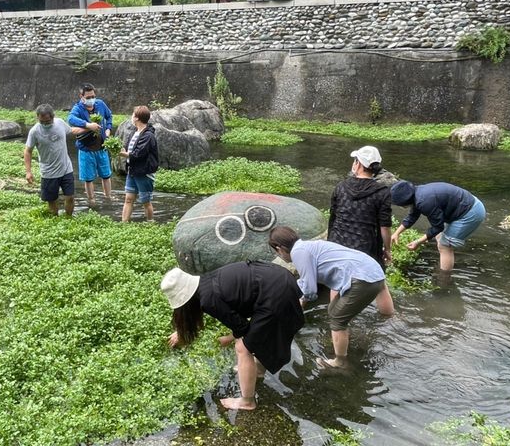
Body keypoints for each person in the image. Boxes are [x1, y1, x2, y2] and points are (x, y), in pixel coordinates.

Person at [161, 261, 304, 410]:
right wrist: (182, 331)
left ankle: (247, 401)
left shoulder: (208, 299)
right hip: (280, 277)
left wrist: (230, 339)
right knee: (254, 336)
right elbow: (242, 324)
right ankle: (258, 370)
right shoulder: (205, 282)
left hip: (276, 294)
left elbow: (242, 327)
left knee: (243, 348)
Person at [268, 226, 394, 369]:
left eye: (276, 252)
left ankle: (340, 362)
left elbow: (310, 290)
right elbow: (307, 283)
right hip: (373, 270)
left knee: (337, 318)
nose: (279, 256)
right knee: (333, 309)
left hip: (362, 278)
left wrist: (291, 305)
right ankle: (385, 322)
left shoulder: (298, 252)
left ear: (279, 248)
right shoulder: (308, 246)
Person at [389, 180, 486, 272]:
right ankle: (444, 265)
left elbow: (438, 227)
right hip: (466, 205)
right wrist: (396, 233)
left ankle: (444, 278)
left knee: (444, 245)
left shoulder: (424, 201)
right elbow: (412, 216)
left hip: (470, 212)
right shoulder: (418, 193)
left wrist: (418, 242)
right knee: (439, 237)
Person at [328, 146, 392, 269]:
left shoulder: (341, 187)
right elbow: (385, 226)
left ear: (358, 164)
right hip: (365, 248)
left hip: (337, 244)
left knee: (337, 282)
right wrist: (387, 249)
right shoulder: (382, 192)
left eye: (355, 160)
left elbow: (333, 217)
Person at [24, 104, 75, 216]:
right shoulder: (34, 131)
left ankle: (69, 218)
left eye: (47, 121)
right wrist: (28, 172)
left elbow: (71, 131)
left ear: (53, 117)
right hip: (48, 172)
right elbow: (28, 151)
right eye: (42, 122)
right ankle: (55, 220)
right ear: (38, 118)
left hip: (66, 168)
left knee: (70, 197)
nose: (45, 124)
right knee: (52, 200)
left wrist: (89, 127)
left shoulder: (60, 123)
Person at [67, 83, 113, 206]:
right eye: (88, 97)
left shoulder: (100, 104)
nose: (91, 99)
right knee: (88, 178)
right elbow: (70, 119)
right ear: (81, 97)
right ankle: (91, 200)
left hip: (102, 147)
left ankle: (108, 197)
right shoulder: (77, 109)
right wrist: (88, 125)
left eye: (92, 96)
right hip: (86, 149)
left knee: (106, 175)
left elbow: (109, 117)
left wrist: (108, 129)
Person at [120, 105, 158, 222]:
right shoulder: (134, 133)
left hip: (143, 172)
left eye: (133, 115)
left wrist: (124, 154)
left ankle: (150, 223)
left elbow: (138, 153)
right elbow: (130, 149)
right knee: (128, 199)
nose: (131, 117)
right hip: (132, 171)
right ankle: (124, 223)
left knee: (146, 201)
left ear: (137, 118)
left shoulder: (148, 135)